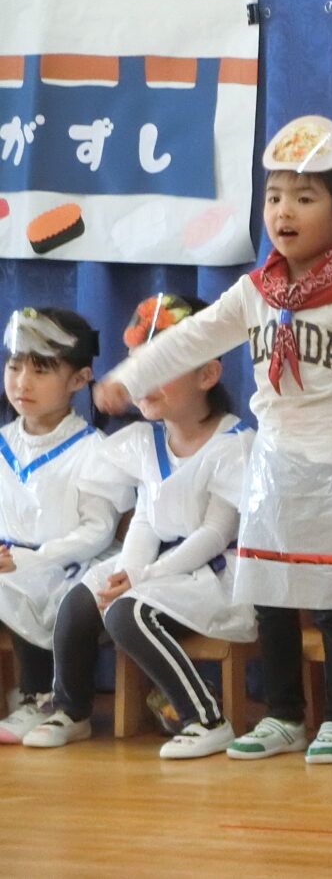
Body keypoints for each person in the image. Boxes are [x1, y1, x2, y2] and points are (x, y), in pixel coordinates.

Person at [94, 116, 332, 765]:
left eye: (304, 197)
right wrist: (130, 376)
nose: (284, 211)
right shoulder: (255, 291)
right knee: (271, 595)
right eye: (274, 196)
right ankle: (285, 715)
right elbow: (191, 338)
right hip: (274, 465)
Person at [24, 294, 255, 758]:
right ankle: (71, 711)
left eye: (159, 365)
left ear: (207, 375)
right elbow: (147, 517)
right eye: (136, 366)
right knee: (81, 600)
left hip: (212, 574)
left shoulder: (233, 443)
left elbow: (215, 533)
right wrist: (126, 572)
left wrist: (144, 577)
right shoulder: (144, 441)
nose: (141, 380)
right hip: (155, 570)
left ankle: (206, 718)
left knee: (129, 613)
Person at [0, 308, 117, 743]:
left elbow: (98, 530)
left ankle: (48, 700)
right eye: (14, 367)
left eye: (41, 370)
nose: (22, 382)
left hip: (69, 564)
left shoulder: (94, 449)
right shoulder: (4, 443)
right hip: (10, 561)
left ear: (80, 379)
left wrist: (33, 559)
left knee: (37, 590)